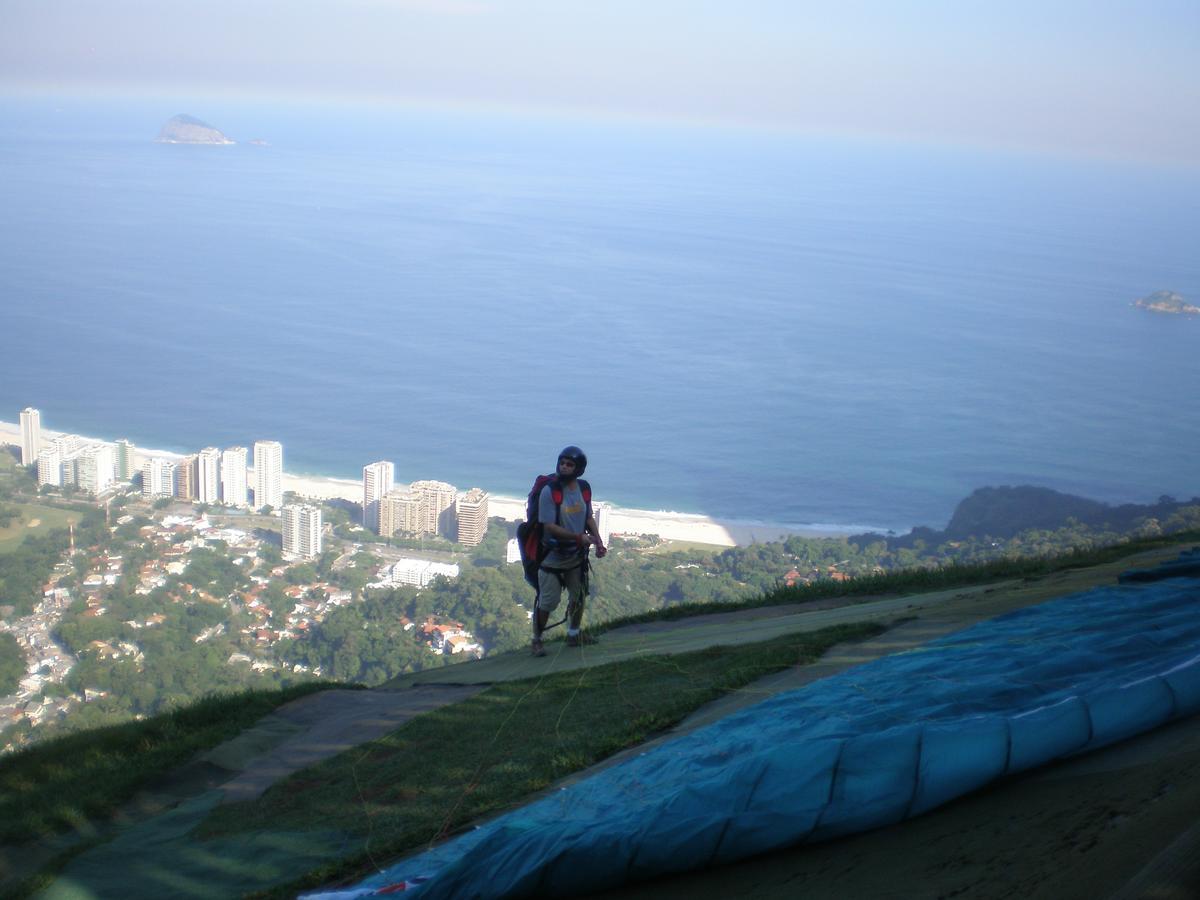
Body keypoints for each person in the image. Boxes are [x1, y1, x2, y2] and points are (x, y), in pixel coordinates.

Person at [532, 445, 606, 656]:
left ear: (578, 468)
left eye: (569, 464)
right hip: (552, 557)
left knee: (579, 596)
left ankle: (573, 634)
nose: (564, 467)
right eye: (562, 463)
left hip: (576, 555)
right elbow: (549, 527)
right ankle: (536, 640)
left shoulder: (583, 489)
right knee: (548, 602)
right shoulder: (550, 492)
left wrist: (598, 541)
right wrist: (579, 537)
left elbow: (588, 517)